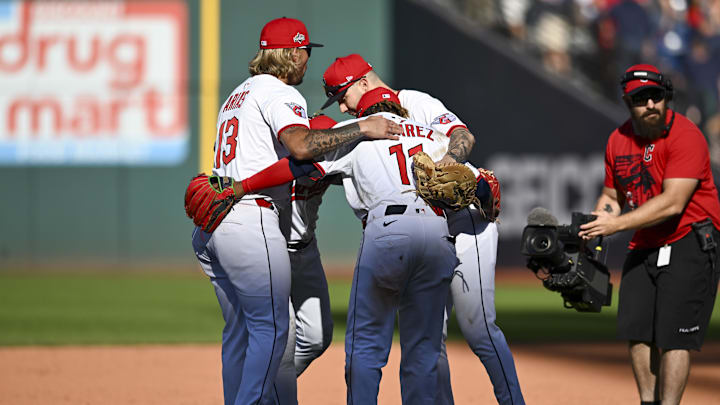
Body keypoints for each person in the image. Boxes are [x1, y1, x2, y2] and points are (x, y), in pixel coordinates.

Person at [190, 18, 402, 405]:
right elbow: (302, 146)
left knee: (241, 331)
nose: (307, 59)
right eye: (305, 51)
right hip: (251, 219)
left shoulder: (237, 95)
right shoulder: (279, 92)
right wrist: (361, 128)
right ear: (290, 53)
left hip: (216, 223)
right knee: (273, 331)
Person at [230, 88, 463, 404]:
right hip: (437, 235)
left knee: (360, 345)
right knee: (424, 348)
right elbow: (470, 178)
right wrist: (487, 194)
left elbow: (300, 165)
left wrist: (240, 186)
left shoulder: (352, 138)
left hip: (385, 232)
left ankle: (262, 390)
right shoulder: (431, 137)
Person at [321, 54, 525, 405]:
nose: (342, 107)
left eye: (343, 95)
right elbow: (484, 183)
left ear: (363, 83)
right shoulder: (392, 131)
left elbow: (463, 137)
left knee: (476, 329)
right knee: (430, 339)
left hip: (463, 222)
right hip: (433, 227)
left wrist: (442, 171)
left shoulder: (411, 105)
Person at [579, 64, 720, 405]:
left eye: (656, 96)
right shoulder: (618, 140)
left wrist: (615, 225)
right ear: (628, 104)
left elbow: (672, 203)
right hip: (645, 241)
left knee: (675, 337)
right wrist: (597, 223)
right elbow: (612, 197)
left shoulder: (686, 135)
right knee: (636, 331)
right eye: (641, 99)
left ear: (666, 97)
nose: (650, 104)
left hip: (690, 238)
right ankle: (648, 402)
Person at [286, 114, 338, 376]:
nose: (326, 149)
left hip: (306, 250)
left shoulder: (333, 164)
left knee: (316, 338)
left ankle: (266, 391)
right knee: (281, 338)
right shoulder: (277, 163)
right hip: (272, 252)